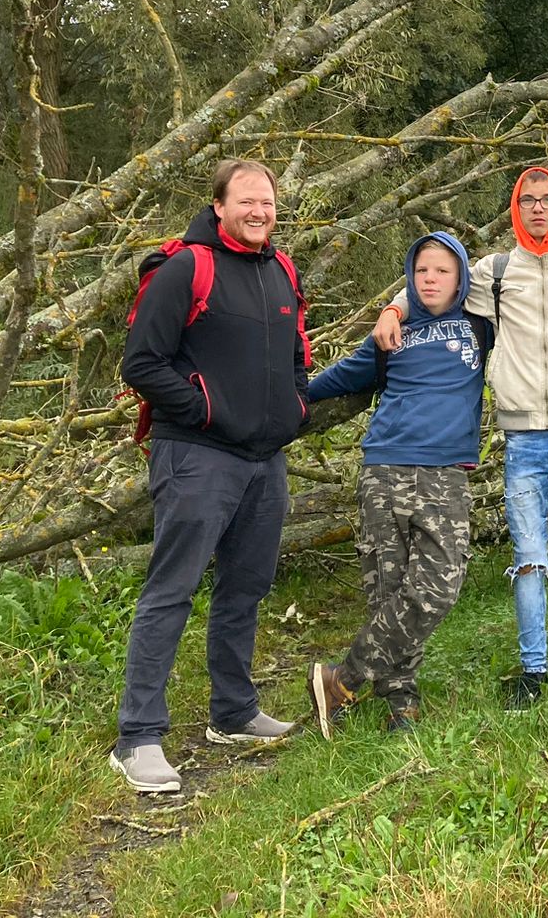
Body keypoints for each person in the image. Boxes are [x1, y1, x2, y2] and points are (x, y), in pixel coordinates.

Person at [374, 167, 548, 707]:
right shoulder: (494, 272)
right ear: (515, 208)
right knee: (527, 557)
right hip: (523, 438)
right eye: (528, 200)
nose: (539, 209)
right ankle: (532, 669)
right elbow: (433, 282)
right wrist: (392, 308)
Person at [113, 159, 310, 794]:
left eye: (269, 203)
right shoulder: (186, 269)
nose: (260, 212)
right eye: (248, 202)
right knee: (171, 591)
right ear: (219, 206)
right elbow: (141, 362)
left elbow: (298, 356)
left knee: (244, 588)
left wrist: (295, 407)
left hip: (264, 461)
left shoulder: (281, 270)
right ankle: (138, 737)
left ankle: (232, 712)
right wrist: (203, 408)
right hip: (195, 457)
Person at [305, 233, 491, 736]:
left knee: (438, 585)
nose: (430, 279)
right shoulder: (392, 335)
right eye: (422, 271)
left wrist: (395, 304)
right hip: (385, 468)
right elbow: (340, 378)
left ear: (461, 279)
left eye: (442, 271)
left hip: (445, 474)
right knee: (389, 588)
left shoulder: (479, 326)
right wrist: (287, 399)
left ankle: (341, 678)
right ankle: (400, 700)